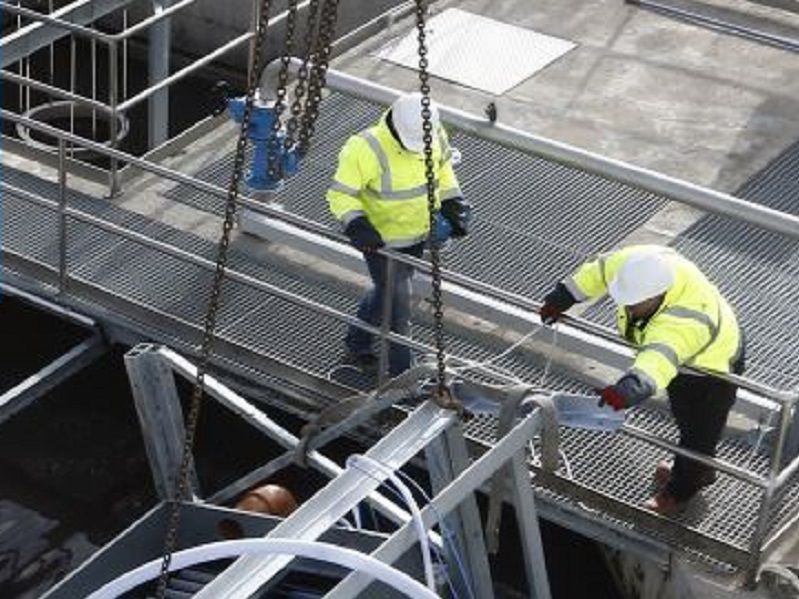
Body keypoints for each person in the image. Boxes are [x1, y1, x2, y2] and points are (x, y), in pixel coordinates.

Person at [540, 245, 745, 515]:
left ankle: (681, 490)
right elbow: (600, 270)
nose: (628, 308)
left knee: (699, 432)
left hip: (709, 370)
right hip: (685, 359)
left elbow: (657, 361)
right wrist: (563, 296)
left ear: (658, 296)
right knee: (686, 420)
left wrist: (626, 391)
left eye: (634, 304)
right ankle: (695, 469)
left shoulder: (682, 322)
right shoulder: (636, 264)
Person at [326, 92, 470, 377]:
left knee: (386, 291)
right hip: (380, 242)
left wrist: (454, 201)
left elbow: (443, 171)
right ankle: (403, 374)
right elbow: (341, 195)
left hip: (417, 234)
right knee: (398, 305)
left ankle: (357, 343)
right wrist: (356, 225)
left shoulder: (434, 132)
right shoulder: (366, 147)